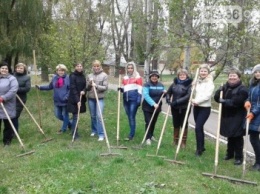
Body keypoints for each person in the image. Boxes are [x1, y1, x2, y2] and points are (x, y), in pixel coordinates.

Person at [214, 69, 248, 165]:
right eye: (230, 75)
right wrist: (218, 92)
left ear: (238, 77)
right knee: (230, 136)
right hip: (227, 115)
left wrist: (224, 101)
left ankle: (239, 157)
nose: (232, 77)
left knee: (237, 137)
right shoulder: (225, 87)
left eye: (234, 76)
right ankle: (229, 154)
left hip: (238, 115)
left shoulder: (243, 89)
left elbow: (237, 101)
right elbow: (217, 98)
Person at [36, 64, 70, 134]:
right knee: (58, 115)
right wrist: (40, 87)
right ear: (57, 71)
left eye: (62, 70)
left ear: (65, 71)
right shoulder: (55, 78)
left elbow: (70, 89)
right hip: (57, 100)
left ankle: (63, 129)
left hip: (65, 100)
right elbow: (50, 86)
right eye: (59, 70)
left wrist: (66, 97)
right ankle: (70, 124)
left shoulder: (68, 78)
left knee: (65, 115)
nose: (61, 72)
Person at [191, 64, 215, 156]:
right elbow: (193, 92)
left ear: (208, 73)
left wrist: (197, 101)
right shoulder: (198, 81)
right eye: (201, 71)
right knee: (199, 128)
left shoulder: (210, 83)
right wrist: (193, 85)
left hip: (205, 108)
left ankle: (199, 149)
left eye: (205, 71)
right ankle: (202, 146)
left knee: (198, 127)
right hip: (196, 107)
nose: (203, 72)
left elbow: (207, 96)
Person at [166, 68, 192, 148]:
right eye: (180, 75)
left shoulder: (189, 85)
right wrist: (168, 99)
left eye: (184, 74)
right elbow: (168, 92)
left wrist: (177, 102)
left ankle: (183, 142)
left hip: (184, 107)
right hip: (174, 107)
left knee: (183, 124)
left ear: (186, 75)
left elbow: (188, 96)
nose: (182, 76)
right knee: (176, 123)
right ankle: (175, 140)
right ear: (178, 75)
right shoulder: (174, 84)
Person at [119, 62, 142, 141]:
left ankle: (131, 135)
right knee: (129, 116)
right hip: (126, 100)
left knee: (132, 116)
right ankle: (132, 130)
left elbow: (140, 89)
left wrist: (139, 99)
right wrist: (120, 89)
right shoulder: (125, 78)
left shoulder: (138, 77)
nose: (130, 69)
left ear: (134, 68)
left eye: (131, 68)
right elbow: (124, 89)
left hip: (134, 100)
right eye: (128, 68)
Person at [142, 70, 166, 145]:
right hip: (147, 107)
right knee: (148, 122)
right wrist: (153, 104)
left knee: (153, 122)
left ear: (158, 77)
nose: (154, 77)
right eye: (153, 76)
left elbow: (163, 95)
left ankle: (151, 135)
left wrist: (165, 93)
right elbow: (146, 95)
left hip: (157, 107)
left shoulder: (161, 85)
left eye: (156, 76)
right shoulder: (147, 85)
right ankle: (147, 138)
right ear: (150, 77)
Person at [86, 60, 108, 141]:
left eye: (97, 66)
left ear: (100, 66)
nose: (96, 68)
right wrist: (89, 84)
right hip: (91, 98)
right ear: (92, 67)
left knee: (99, 116)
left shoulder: (104, 75)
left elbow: (105, 87)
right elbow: (87, 88)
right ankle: (94, 130)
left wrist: (97, 86)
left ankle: (101, 134)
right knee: (93, 116)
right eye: (94, 66)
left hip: (100, 98)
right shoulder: (89, 75)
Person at [244, 64, 260, 171]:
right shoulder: (253, 84)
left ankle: (258, 163)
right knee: (253, 139)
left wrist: (253, 113)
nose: (258, 74)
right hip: (253, 113)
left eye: (259, 72)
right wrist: (247, 101)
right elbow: (249, 96)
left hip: (257, 114)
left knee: (254, 138)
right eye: (256, 72)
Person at [0, 62, 18, 146]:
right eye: (2, 68)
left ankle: (7, 141)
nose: (4, 70)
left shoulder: (12, 79)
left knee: (8, 124)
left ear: (8, 70)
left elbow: (13, 90)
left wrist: (3, 98)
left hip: (8, 104)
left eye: (6, 68)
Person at [67, 63, 86, 139]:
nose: (79, 67)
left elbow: (85, 86)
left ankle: (73, 130)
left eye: (80, 66)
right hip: (74, 99)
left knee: (76, 116)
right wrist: (77, 100)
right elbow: (73, 88)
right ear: (75, 67)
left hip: (81, 98)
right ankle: (74, 134)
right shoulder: (72, 76)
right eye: (77, 66)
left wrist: (84, 91)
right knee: (76, 116)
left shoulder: (83, 76)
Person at [13, 63, 31, 134]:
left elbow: (27, 88)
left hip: (20, 99)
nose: (19, 69)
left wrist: (16, 89)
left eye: (21, 68)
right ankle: (10, 132)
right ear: (15, 68)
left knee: (15, 116)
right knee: (9, 116)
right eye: (18, 68)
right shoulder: (12, 76)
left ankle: (14, 133)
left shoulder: (26, 77)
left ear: (24, 69)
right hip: (10, 99)